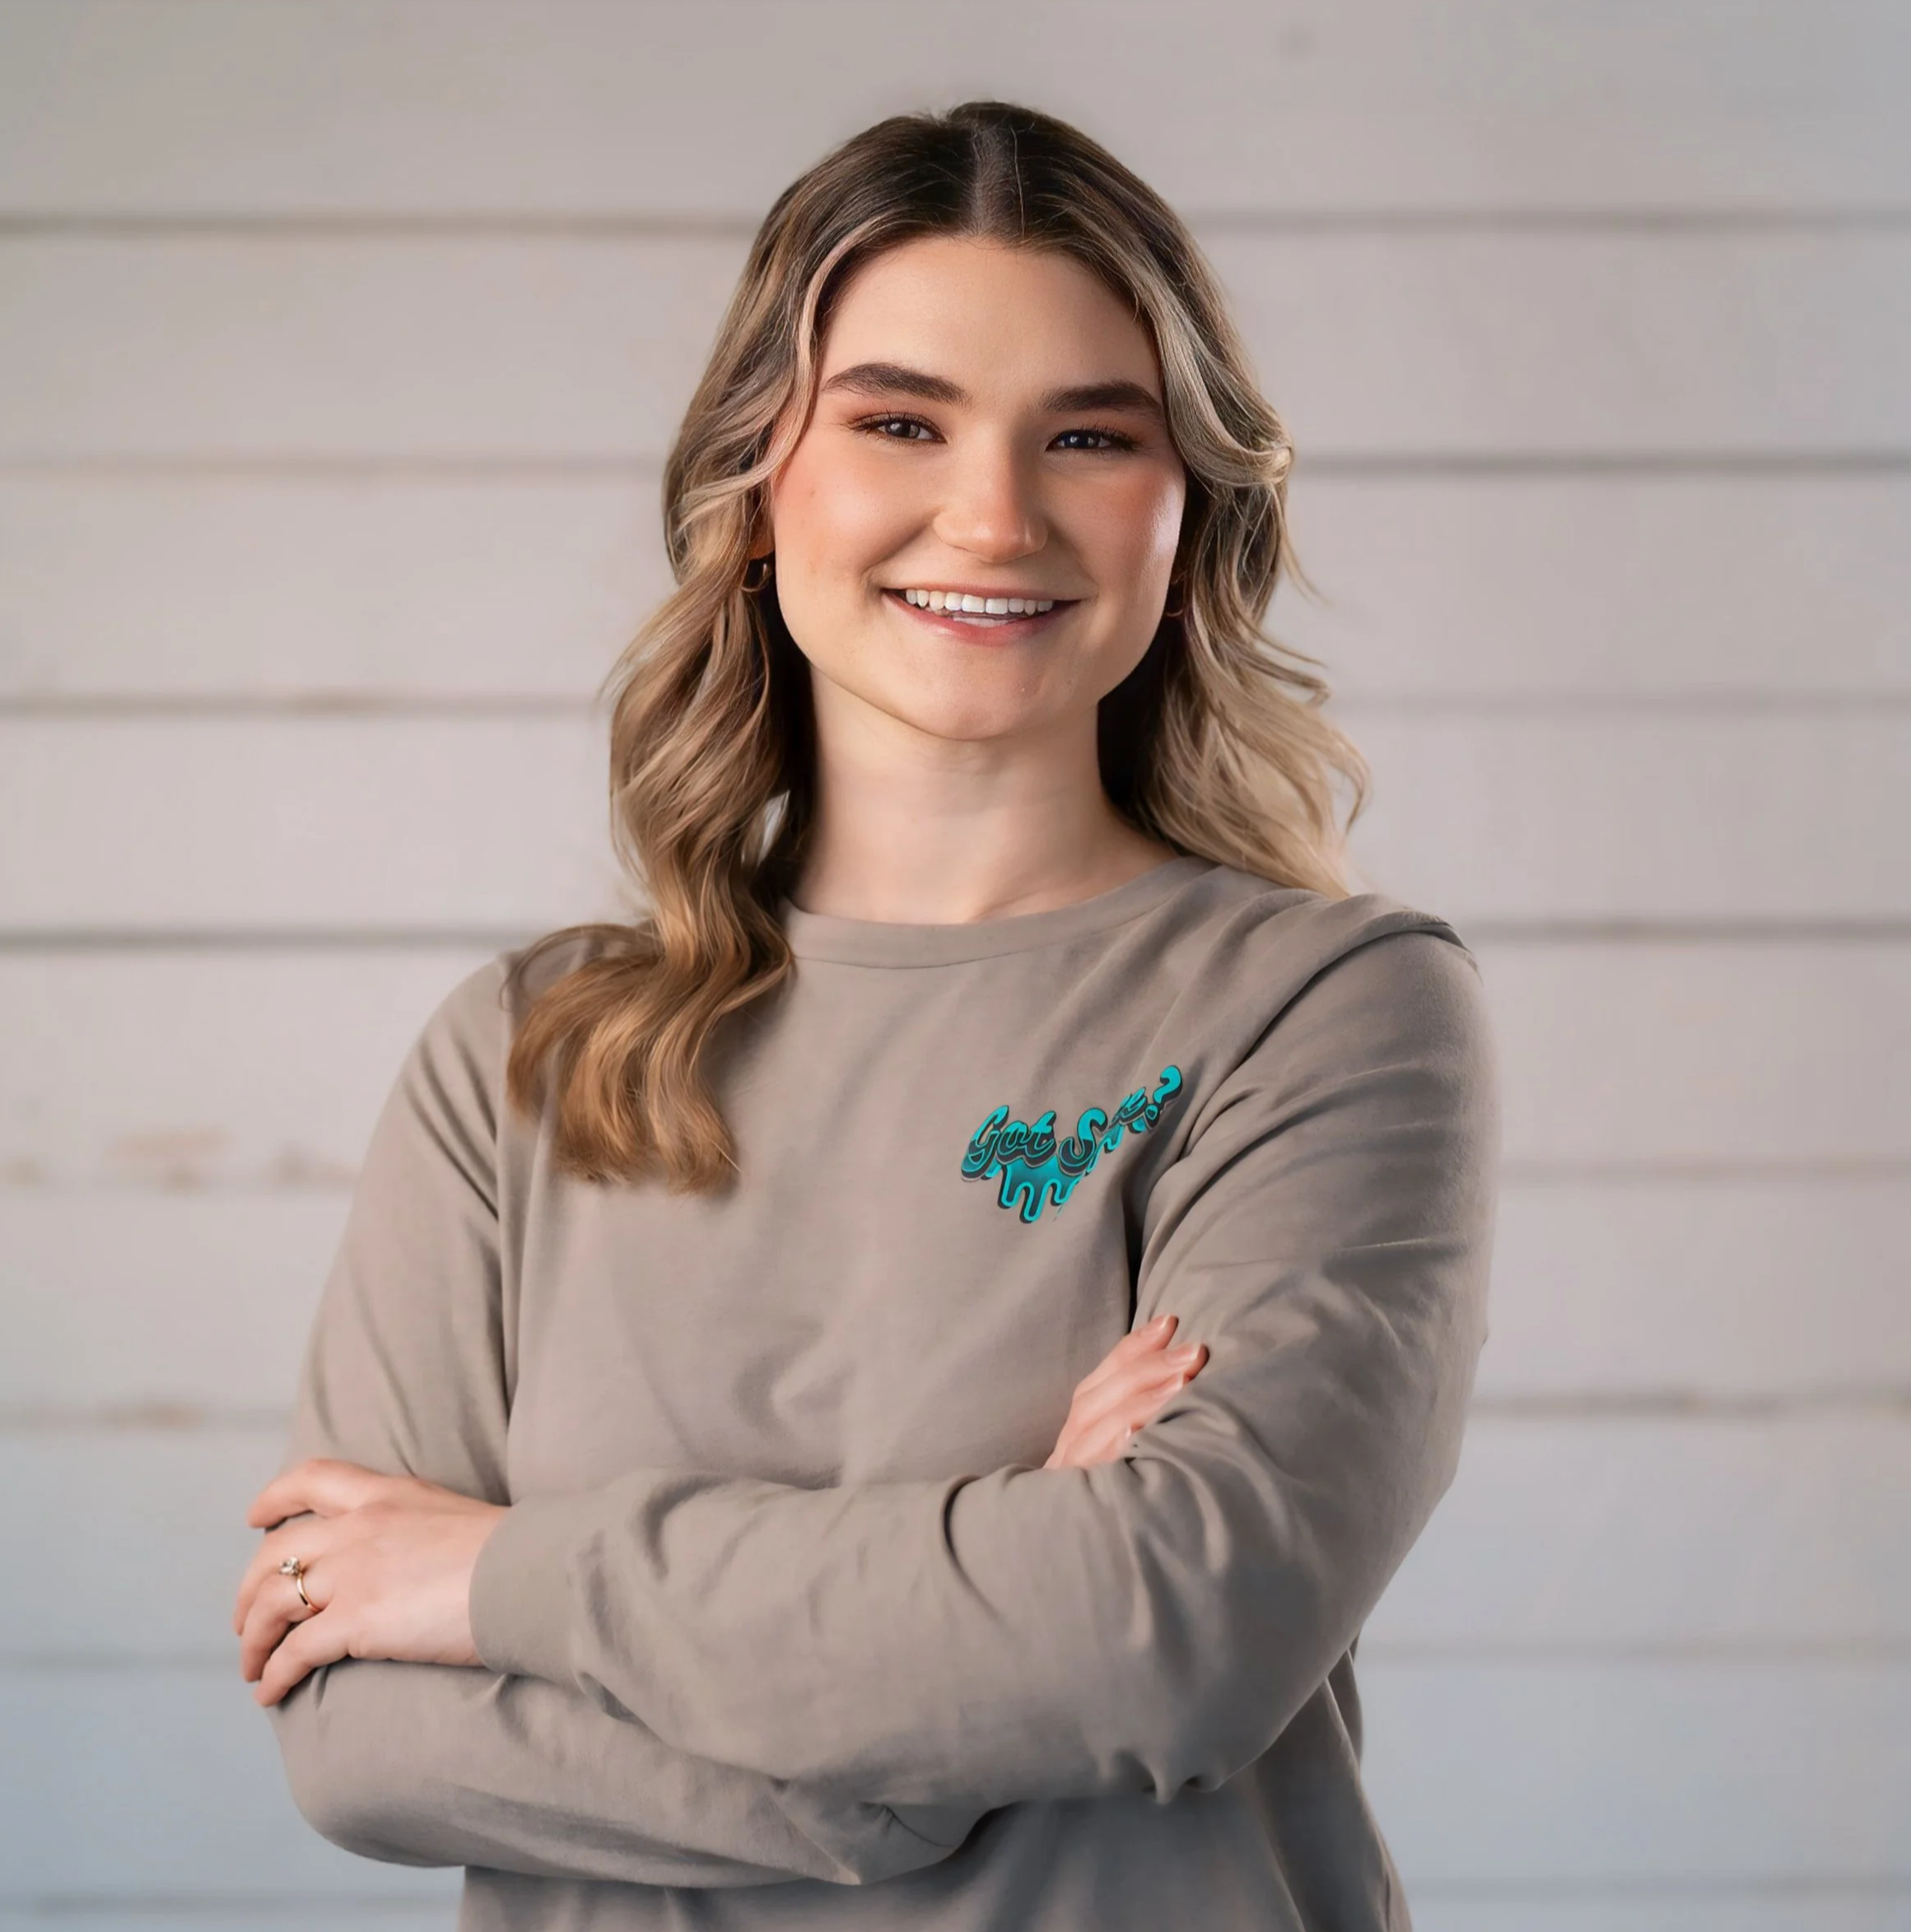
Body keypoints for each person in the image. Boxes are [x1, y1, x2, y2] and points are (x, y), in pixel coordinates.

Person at [230, 99, 1499, 1931]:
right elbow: (359, 1732)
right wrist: (932, 1733)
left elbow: (1169, 1635)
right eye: (898, 421)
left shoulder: (1322, 1009)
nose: (991, 515)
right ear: (758, 481)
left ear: (1188, 511)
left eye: (1089, 434)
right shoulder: (525, 1054)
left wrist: (501, 1580)